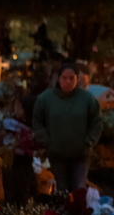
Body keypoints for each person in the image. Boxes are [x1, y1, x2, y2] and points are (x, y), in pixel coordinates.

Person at [32, 63, 102, 193]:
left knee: (79, 190)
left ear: (77, 79)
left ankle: (78, 213)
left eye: (72, 78)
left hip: (80, 154)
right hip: (56, 153)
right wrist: (46, 140)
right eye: (64, 78)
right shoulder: (46, 98)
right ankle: (62, 213)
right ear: (59, 78)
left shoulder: (87, 99)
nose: (68, 82)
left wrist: (89, 141)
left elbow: (96, 121)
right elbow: (37, 121)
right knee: (61, 191)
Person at [2, 95, 38, 205]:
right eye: (15, 106)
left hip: (24, 164)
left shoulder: (32, 129)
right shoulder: (9, 123)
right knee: (9, 194)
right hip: (9, 164)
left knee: (23, 194)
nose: (17, 109)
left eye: (20, 107)